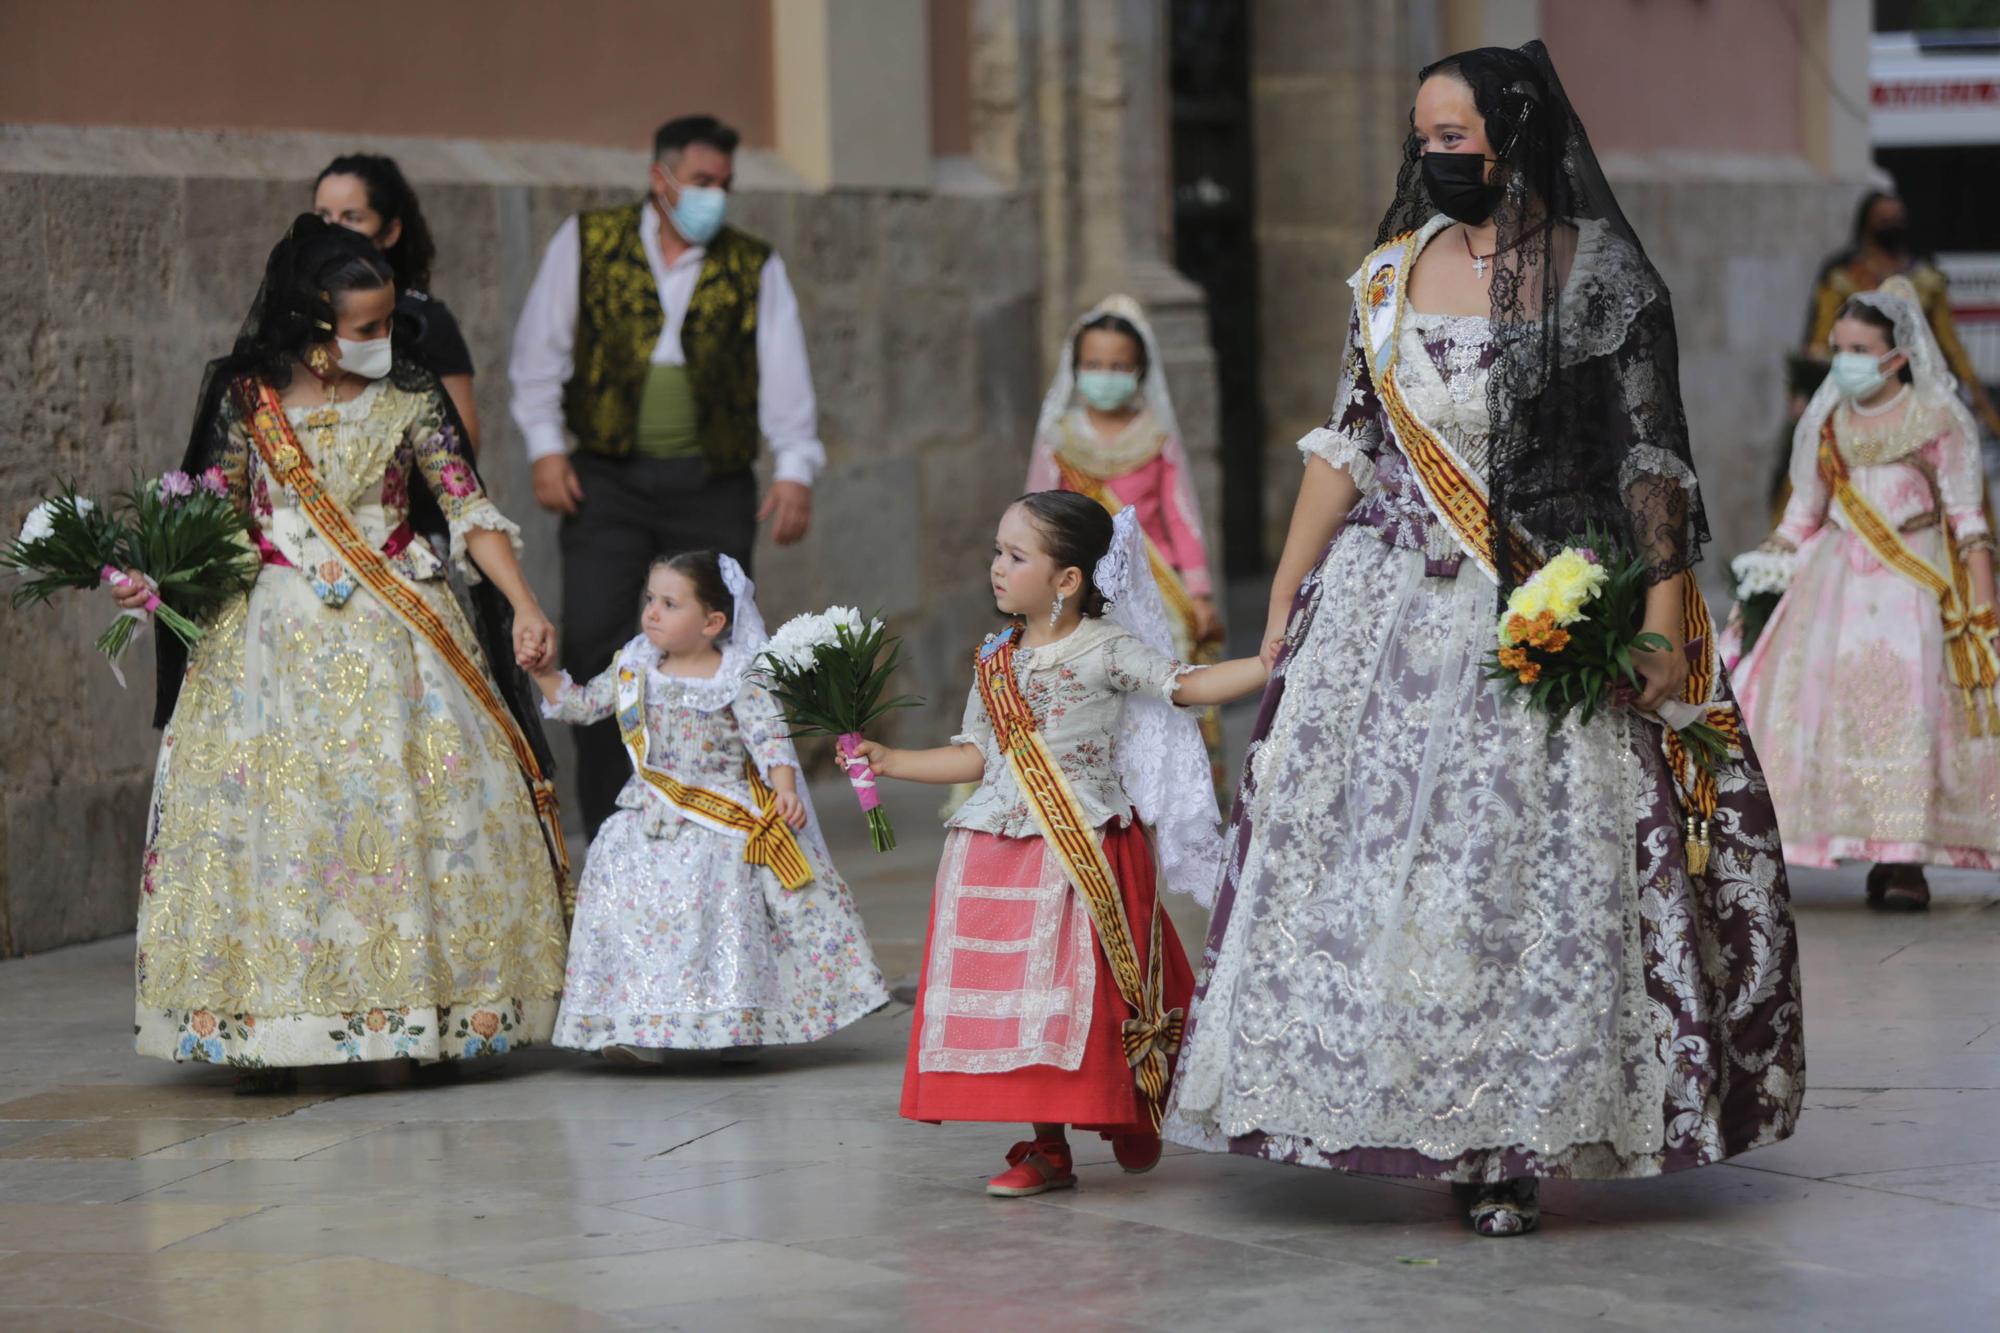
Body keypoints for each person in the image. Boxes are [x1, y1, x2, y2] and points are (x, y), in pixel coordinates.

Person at [1163, 43, 1804, 1238]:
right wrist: (1286, 594)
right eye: (1420, 138)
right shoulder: (1387, 275)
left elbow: (1648, 464)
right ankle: (1358, 1096)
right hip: (1382, 608)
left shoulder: (1598, 275)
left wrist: (1661, 628)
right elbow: (1346, 444)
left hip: (1536, 608)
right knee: (1360, 858)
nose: (1431, 157)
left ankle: (1507, 1140)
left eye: (1451, 136)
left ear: (1513, 135)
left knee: (1507, 874)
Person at [117, 216, 569, 1087]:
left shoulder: (411, 396)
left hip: (402, 627)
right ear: (314, 332)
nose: (384, 341)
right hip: (270, 639)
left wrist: (521, 602)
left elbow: (467, 505)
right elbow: (212, 517)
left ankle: (438, 1012)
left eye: (389, 322)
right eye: (366, 328)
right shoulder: (246, 401)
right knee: (278, 824)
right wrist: (157, 578)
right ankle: (271, 1022)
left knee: (417, 809)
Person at [847, 493, 1267, 1198]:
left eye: (1016, 555)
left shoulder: (1105, 647)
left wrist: (1268, 663)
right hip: (995, 848)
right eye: (997, 552)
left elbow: (1185, 687)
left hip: (1081, 847)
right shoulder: (994, 658)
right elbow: (977, 754)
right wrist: (894, 761)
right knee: (1020, 998)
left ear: (1068, 579)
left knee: (1088, 996)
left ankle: (1132, 1102)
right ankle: (1046, 1147)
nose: (997, 567)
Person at [510, 113, 824, 839]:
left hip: (710, 485)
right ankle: (610, 826)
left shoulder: (755, 264)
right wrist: (546, 446)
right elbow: (540, 350)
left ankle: (709, 820)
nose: (715, 195)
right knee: (594, 641)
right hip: (606, 482)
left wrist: (796, 465)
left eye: (725, 184)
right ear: (662, 178)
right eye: (703, 181)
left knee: (714, 650)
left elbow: (785, 374)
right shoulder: (587, 241)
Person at [532, 550, 890, 1059]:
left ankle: (734, 1018)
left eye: (670, 603)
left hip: (722, 809)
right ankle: (632, 1020)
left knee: (723, 898)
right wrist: (546, 672)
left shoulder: (739, 674)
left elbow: (769, 739)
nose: (652, 612)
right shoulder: (634, 666)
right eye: (650, 599)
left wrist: (785, 789)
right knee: (621, 880)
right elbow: (582, 704)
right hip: (652, 811)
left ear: (713, 622)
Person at [1734, 278, 1998, 910]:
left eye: (1858, 348)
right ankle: (1841, 837)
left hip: (1915, 586)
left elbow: (1967, 518)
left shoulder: (1938, 418)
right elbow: (1803, 513)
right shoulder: (1829, 423)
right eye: (1838, 347)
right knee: (1825, 707)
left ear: (1897, 356)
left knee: (1909, 706)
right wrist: (1763, 575)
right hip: (1833, 588)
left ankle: (1905, 860)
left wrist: (1985, 608)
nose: (1843, 361)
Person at [1025, 294, 1226, 785]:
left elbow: (1180, 520)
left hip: (1152, 588)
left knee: (1162, 680)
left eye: (1118, 365)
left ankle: (1164, 784)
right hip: (1076, 589)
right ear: (1074, 368)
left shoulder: (1155, 437)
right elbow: (1037, 520)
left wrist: (1197, 592)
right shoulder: (1060, 440)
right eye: (1093, 364)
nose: (1106, 374)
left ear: (1139, 371)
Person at [314, 154, 481, 451]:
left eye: (352, 218)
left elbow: (463, 439)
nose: (333, 232)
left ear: (390, 232)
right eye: (323, 216)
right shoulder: (295, 311)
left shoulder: (423, 321)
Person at [1805, 190, 2000, 438]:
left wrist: (1976, 394)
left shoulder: (1925, 278)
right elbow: (1821, 342)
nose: (1892, 225)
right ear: (1867, 224)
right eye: (1884, 219)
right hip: (1859, 396)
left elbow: (1950, 343)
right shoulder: (1843, 279)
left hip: (1917, 394)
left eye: (1897, 218)